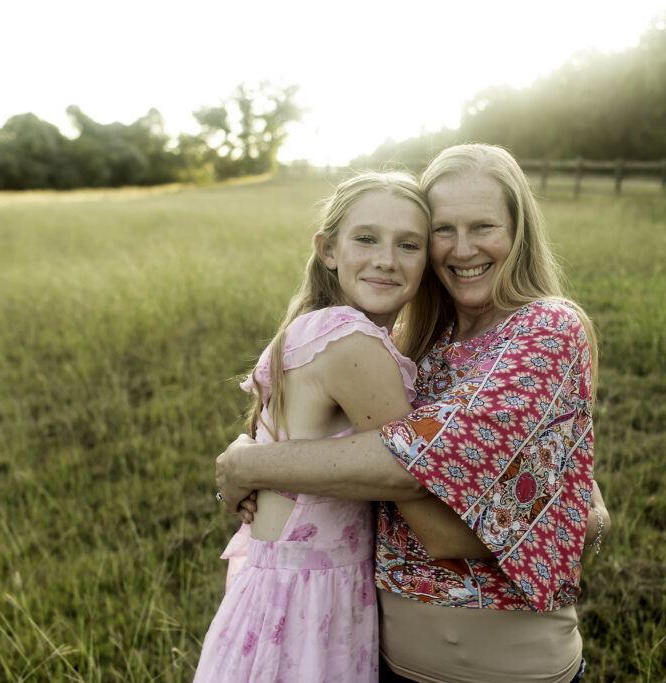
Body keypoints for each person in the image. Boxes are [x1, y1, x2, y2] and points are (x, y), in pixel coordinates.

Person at [216, 144, 608, 682]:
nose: (462, 249)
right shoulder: (409, 343)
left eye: (483, 226)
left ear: (519, 232)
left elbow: (433, 512)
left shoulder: (545, 328)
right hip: (374, 659)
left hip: (506, 671)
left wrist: (250, 466)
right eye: (443, 230)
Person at [195, 171, 469, 682]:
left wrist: (247, 463)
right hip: (308, 603)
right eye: (366, 238)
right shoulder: (348, 340)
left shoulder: (320, 326)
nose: (386, 259)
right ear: (328, 250)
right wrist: (559, 529)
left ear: (426, 262)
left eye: (408, 244)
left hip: (281, 586)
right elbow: (409, 474)